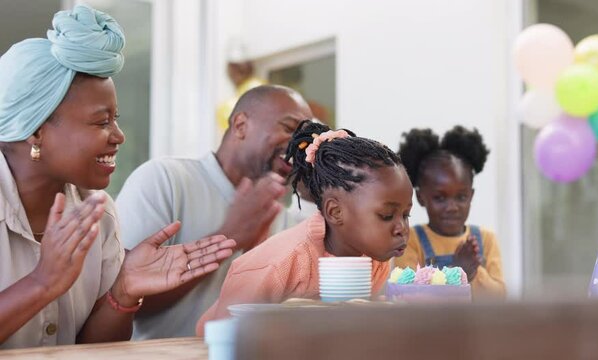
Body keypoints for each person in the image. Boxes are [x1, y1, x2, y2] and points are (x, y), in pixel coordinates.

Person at [0, 5, 235, 349]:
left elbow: (93, 348)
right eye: (101, 121)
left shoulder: (99, 214)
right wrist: (42, 283)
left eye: (115, 119)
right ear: (36, 131)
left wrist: (124, 291)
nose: (119, 135)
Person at [115, 85, 312, 339]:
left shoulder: (284, 216)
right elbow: (121, 299)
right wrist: (230, 235)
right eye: (289, 128)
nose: (299, 145)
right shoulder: (164, 180)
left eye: (305, 136)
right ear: (241, 125)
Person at [196, 120, 414, 334]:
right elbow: (222, 334)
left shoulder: (375, 259)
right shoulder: (279, 264)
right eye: (387, 215)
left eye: (406, 215)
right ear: (335, 212)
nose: (402, 228)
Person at [393, 126, 506, 299]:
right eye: (440, 198)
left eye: (461, 197)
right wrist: (459, 271)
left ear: (471, 196)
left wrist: (475, 271)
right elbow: (407, 296)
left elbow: (499, 299)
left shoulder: (486, 239)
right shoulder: (410, 240)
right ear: (421, 197)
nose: (452, 207)